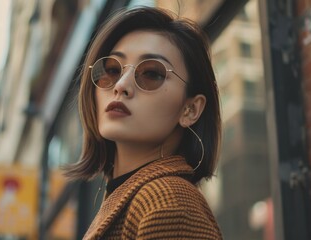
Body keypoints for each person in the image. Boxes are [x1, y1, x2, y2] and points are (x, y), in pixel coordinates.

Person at [65, 6, 223, 240]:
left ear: (190, 109)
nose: (121, 85)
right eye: (112, 70)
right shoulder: (131, 199)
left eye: (151, 74)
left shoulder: (168, 203)